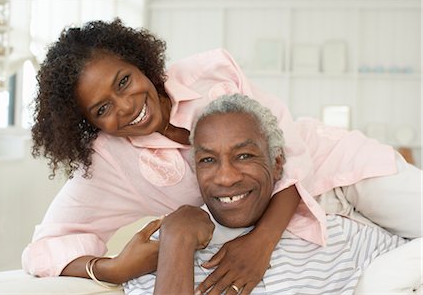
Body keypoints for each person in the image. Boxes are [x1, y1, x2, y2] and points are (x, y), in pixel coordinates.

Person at [22, 18, 421, 293]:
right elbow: (44, 247)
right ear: (90, 125)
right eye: (102, 109)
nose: (125, 107)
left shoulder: (211, 73)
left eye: (123, 81)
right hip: (315, 225)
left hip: (343, 169)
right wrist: (110, 268)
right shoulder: (109, 164)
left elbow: (289, 152)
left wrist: (261, 244)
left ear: (139, 63)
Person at [124, 94, 414, 295]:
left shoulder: (327, 234)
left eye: (244, 155)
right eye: (208, 160)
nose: (226, 177)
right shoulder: (167, 247)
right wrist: (177, 239)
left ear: (277, 165)